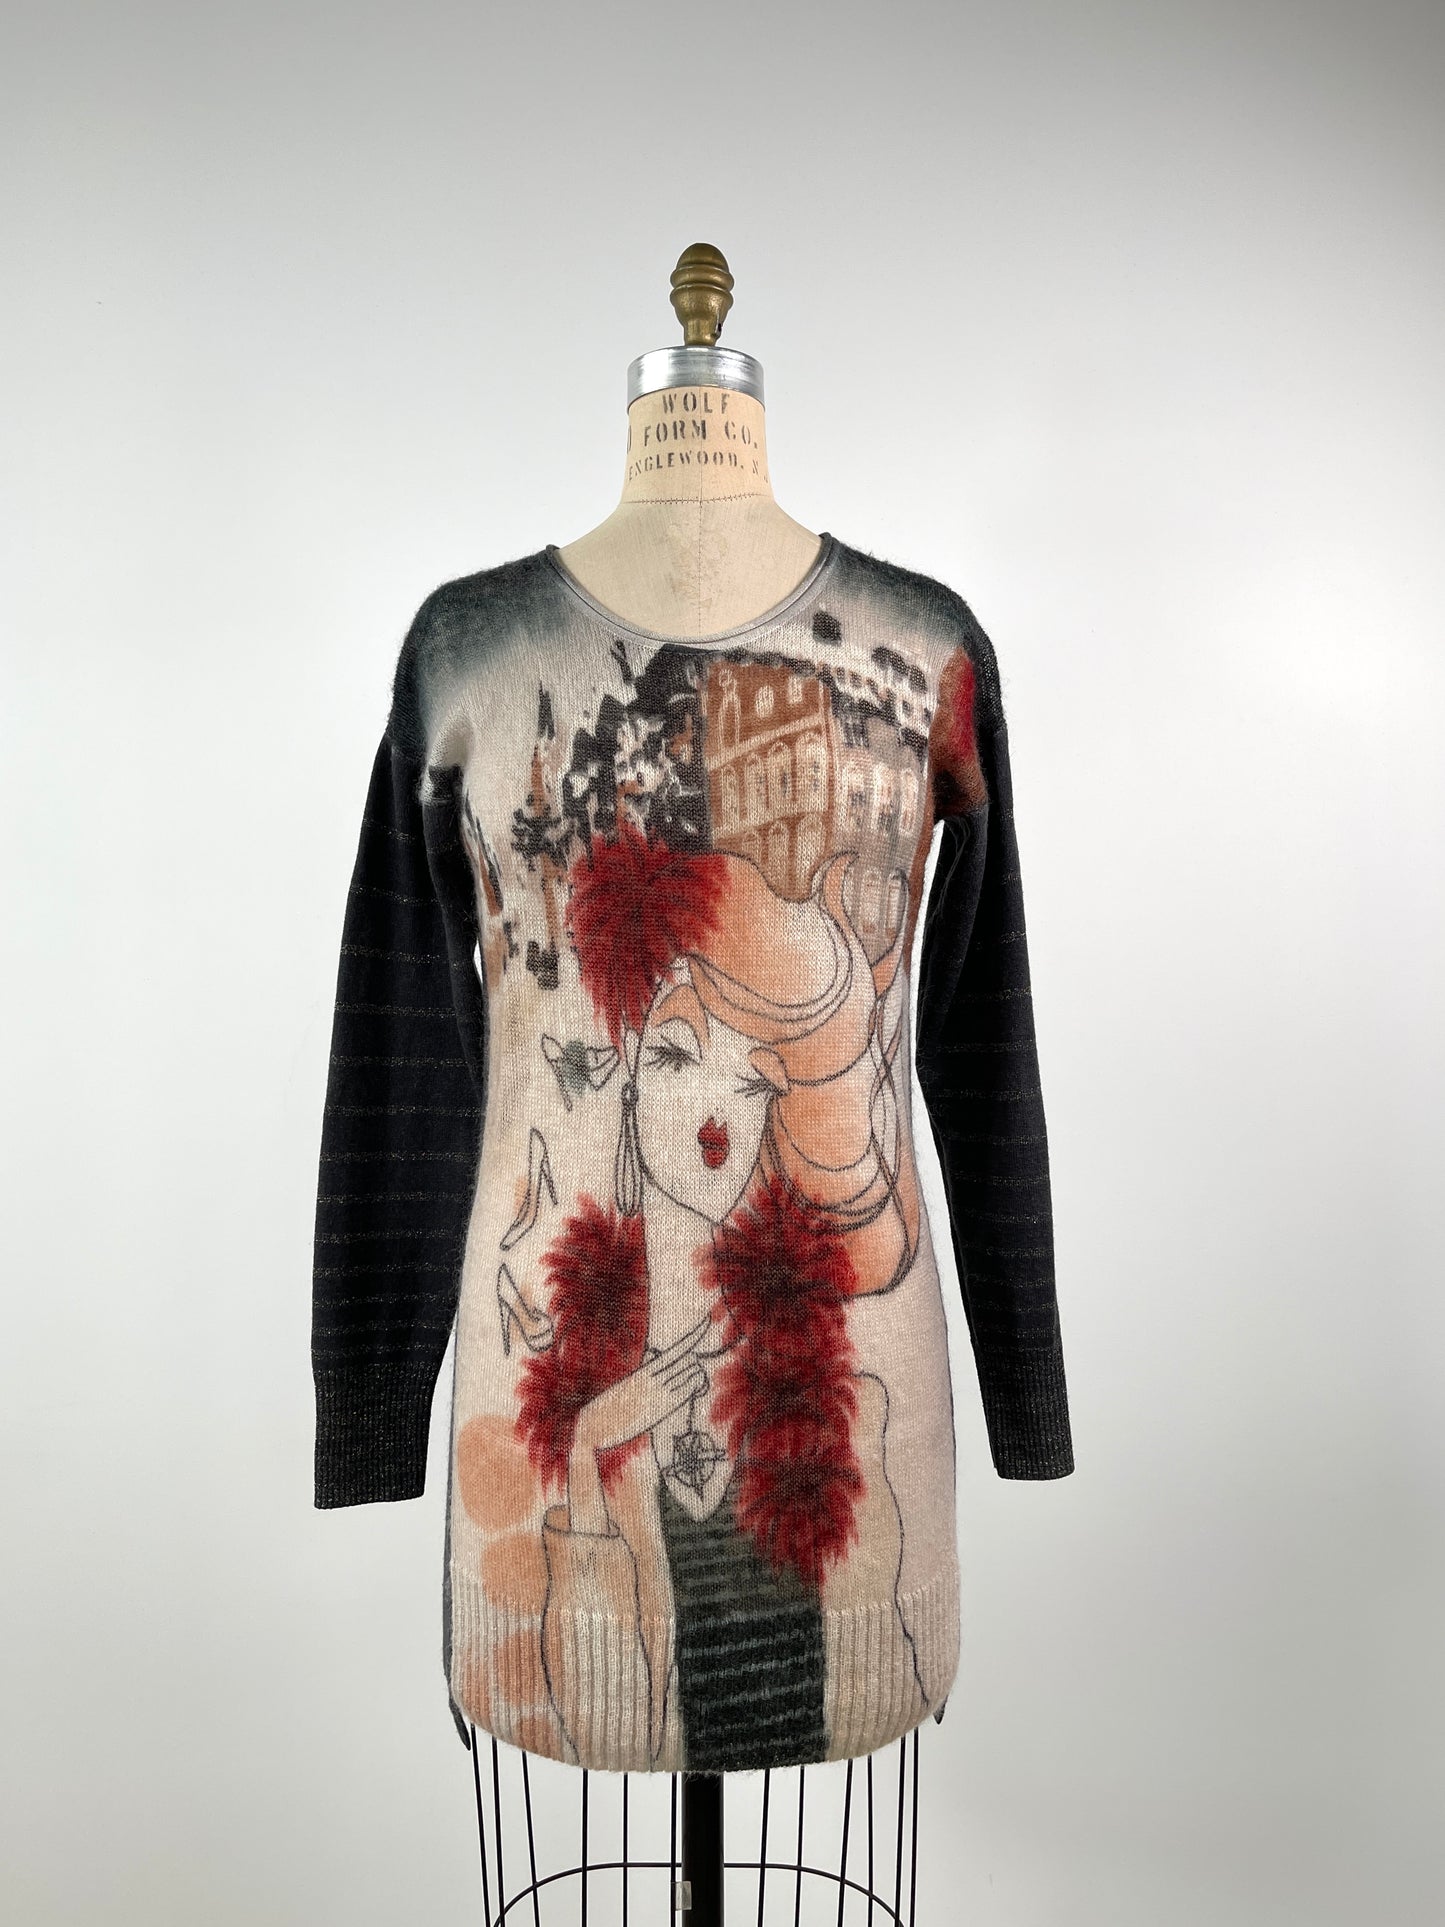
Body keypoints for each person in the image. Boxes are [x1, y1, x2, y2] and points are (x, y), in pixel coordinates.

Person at [515, 823, 927, 1770]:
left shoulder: (849, 1411)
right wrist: (586, 1451)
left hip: (826, 1818)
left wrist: (1027, 1400)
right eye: (674, 1056)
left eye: (749, 1080)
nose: (714, 1113)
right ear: (624, 1075)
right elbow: (586, 1713)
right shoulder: (579, 1384)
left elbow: (883, 1666)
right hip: (593, 1826)